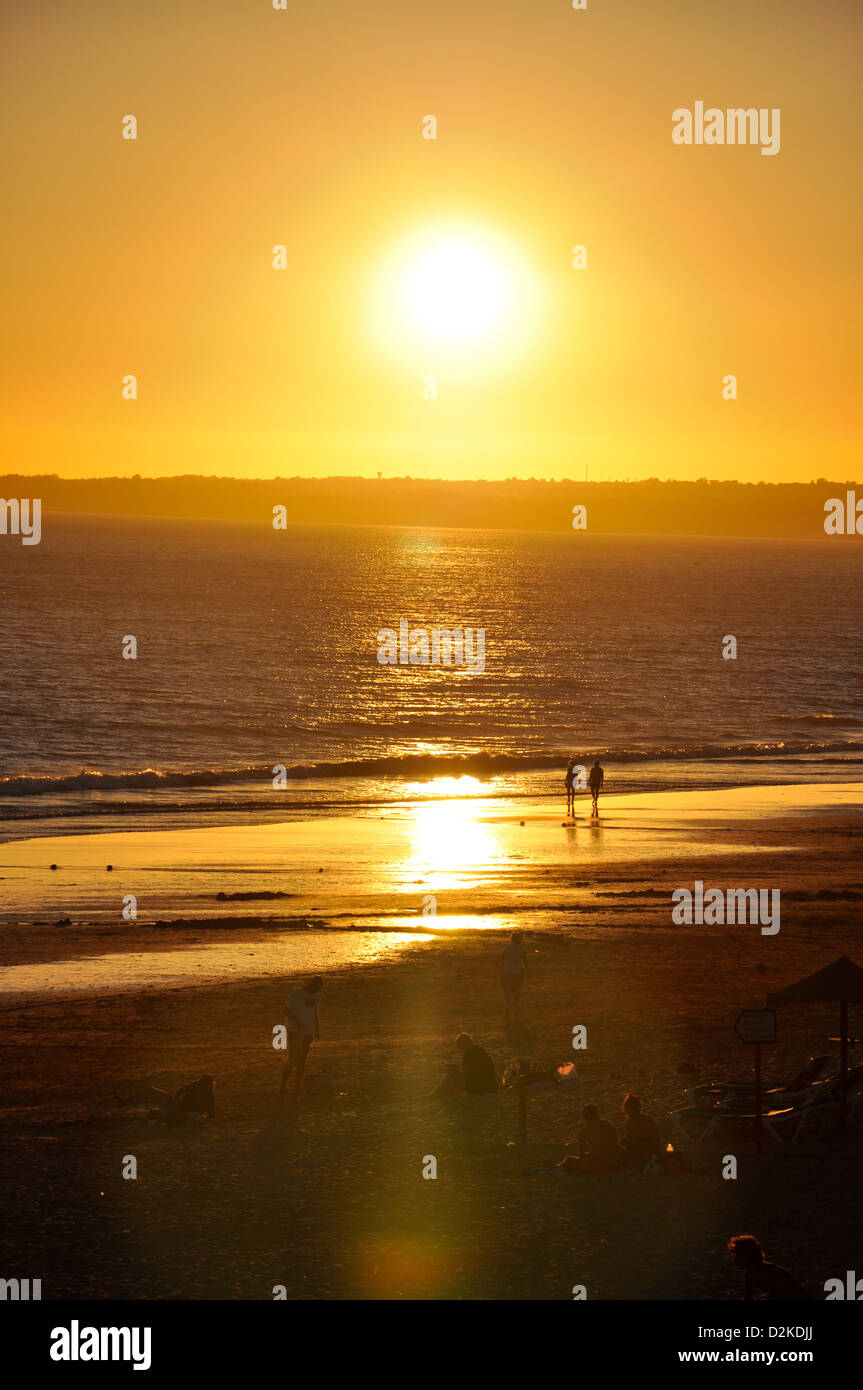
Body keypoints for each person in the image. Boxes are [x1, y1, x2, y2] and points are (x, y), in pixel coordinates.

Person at [728, 1235, 811, 1300]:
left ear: (748, 1256)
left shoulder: (773, 1273)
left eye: (738, 1256)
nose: (735, 1260)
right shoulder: (749, 1275)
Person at [280, 976, 323, 1097]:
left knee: (302, 1061)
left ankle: (297, 1087)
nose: (318, 990)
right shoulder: (296, 994)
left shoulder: (316, 998)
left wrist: (317, 1030)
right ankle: (282, 1086)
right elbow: (286, 1011)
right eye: (317, 987)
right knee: (292, 1059)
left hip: (308, 1033)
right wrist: (297, 1021)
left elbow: (314, 1014)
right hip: (295, 1031)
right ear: (312, 984)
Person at [115, 1075, 215, 1125]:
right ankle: (125, 1102)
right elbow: (179, 1091)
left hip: (180, 1114)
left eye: (204, 1085)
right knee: (151, 1091)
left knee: (153, 1116)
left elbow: (210, 1116)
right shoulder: (195, 1086)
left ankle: (131, 1113)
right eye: (201, 1084)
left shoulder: (210, 1097)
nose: (202, 1087)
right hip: (175, 1105)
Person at [557, 1103, 621, 1173]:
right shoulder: (609, 1125)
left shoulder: (584, 1132)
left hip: (600, 1165)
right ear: (596, 1113)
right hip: (614, 1162)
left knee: (569, 1160)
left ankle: (557, 1167)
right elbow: (615, 1145)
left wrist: (590, 1154)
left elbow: (581, 1154)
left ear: (585, 1117)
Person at [621, 1092, 661, 1165]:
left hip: (649, 1154)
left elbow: (653, 1143)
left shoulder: (647, 1121)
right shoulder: (629, 1123)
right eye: (627, 1108)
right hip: (638, 1153)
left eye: (632, 1108)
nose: (628, 1111)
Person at [501, 930, 528, 1022]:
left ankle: (508, 1007)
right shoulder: (522, 949)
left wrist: (501, 971)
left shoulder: (507, 948)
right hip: (518, 972)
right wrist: (528, 971)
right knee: (517, 990)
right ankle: (516, 1007)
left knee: (508, 991)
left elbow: (502, 959)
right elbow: (525, 960)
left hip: (508, 971)